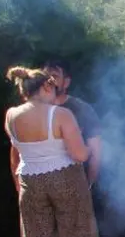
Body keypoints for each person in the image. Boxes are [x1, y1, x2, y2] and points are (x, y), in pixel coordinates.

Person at [4, 67, 103, 237]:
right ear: (46, 87)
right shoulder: (60, 114)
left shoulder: (11, 115)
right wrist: (90, 150)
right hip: (65, 178)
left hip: (30, 181)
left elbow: (16, 152)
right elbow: (78, 154)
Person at [41, 60, 102, 188]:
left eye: (55, 76)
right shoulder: (35, 111)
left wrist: (88, 186)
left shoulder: (82, 110)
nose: (50, 80)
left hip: (75, 186)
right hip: (43, 187)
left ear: (67, 82)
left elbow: (96, 152)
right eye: (46, 76)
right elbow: (18, 153)